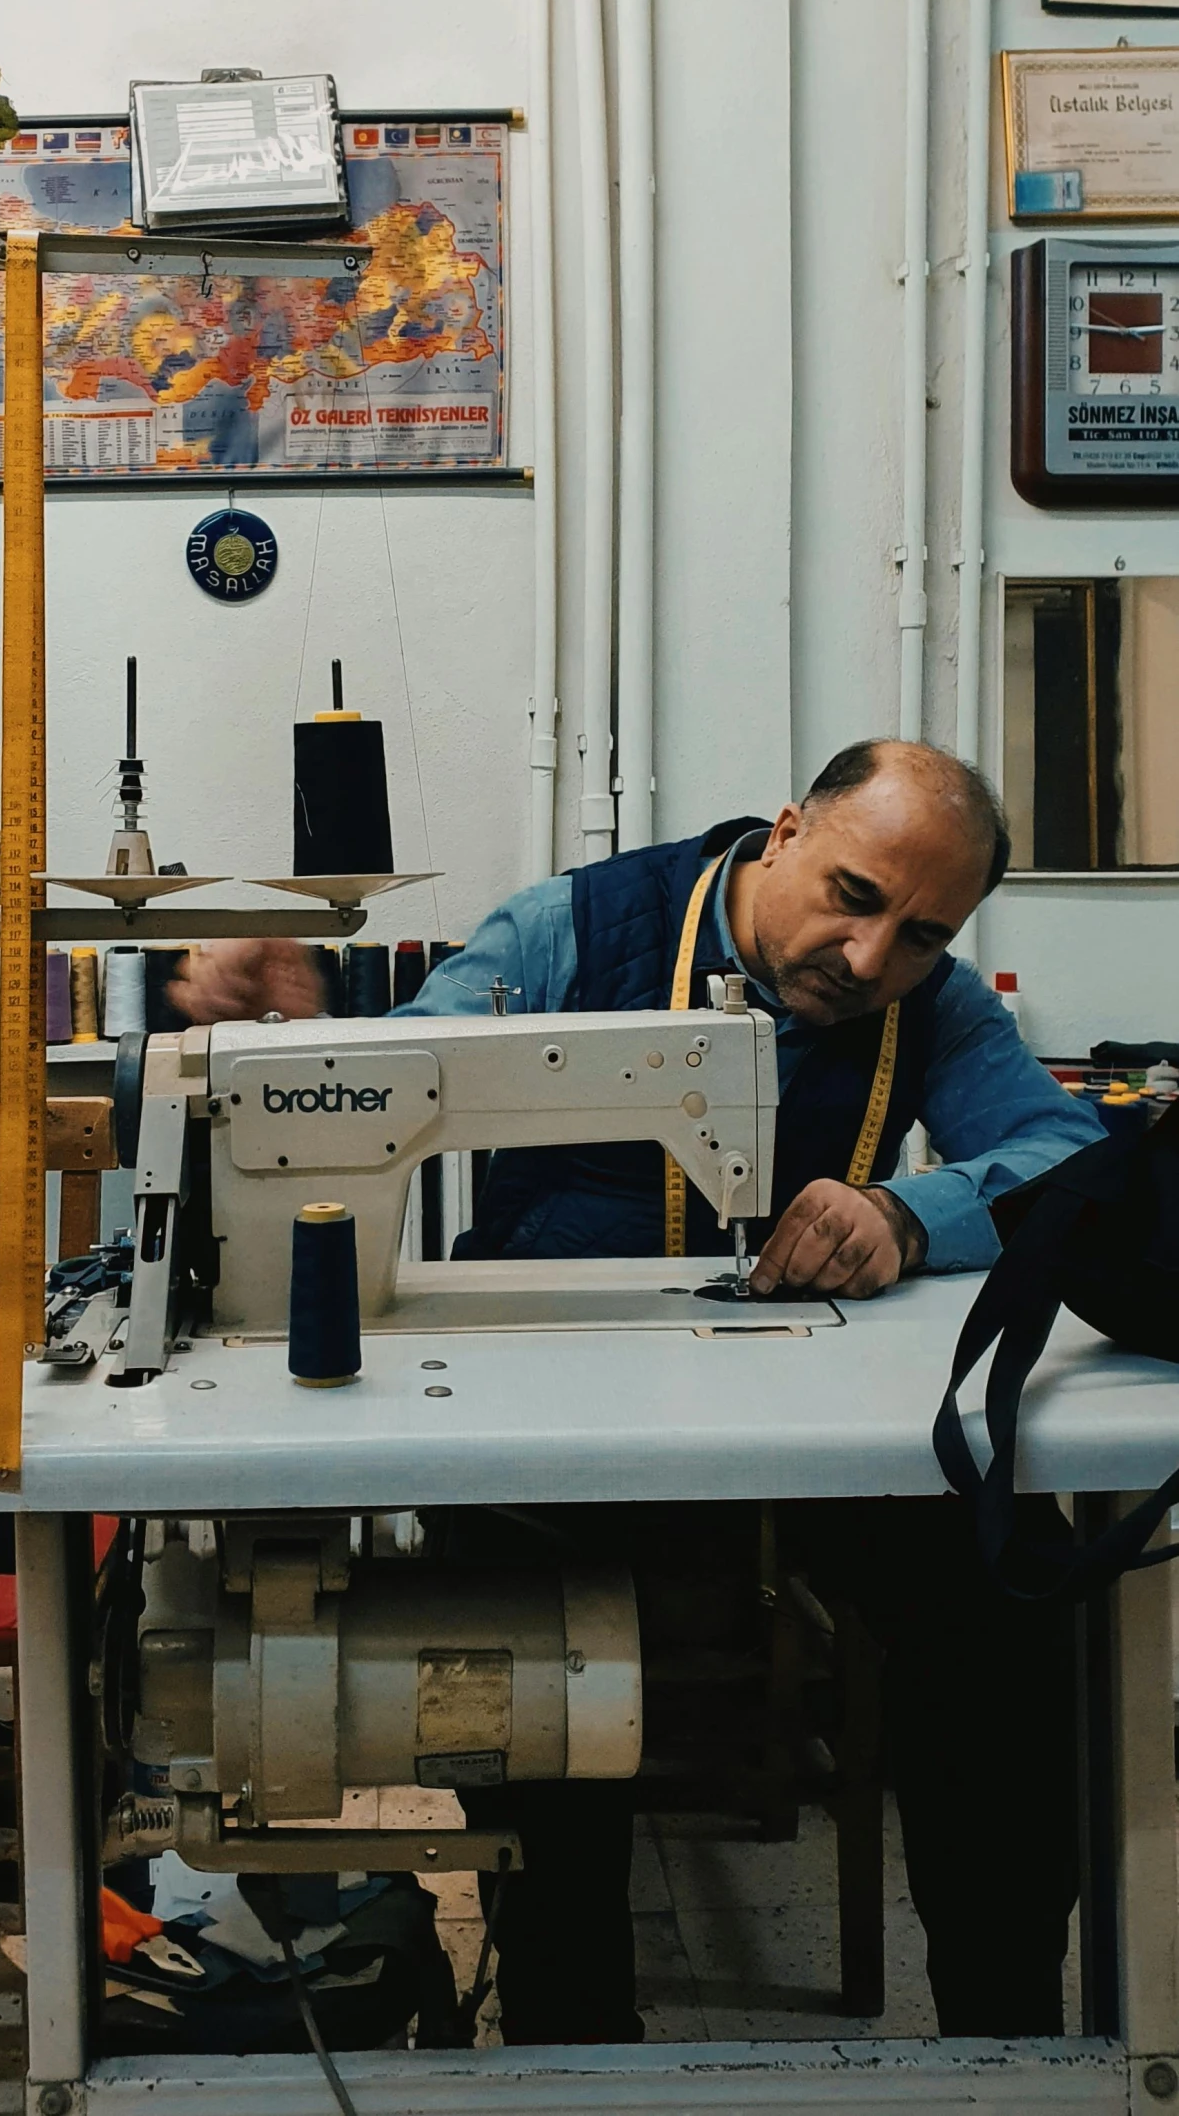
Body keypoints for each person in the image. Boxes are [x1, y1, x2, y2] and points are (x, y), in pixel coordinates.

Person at [172, 740, 1104, 2043]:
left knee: (1011, 1603)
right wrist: (294, 1037)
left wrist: (906, 1206)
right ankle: (565, 2036)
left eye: (917, 933)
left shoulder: (928, 1000)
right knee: (511, 1687)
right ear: (782, 832)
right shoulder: (571, 927)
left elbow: (1064, 1152)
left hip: (804, 1418)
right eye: (850, 893)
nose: (868, 955)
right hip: (551, 1437)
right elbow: (377, 1084)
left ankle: (1008, 2035)